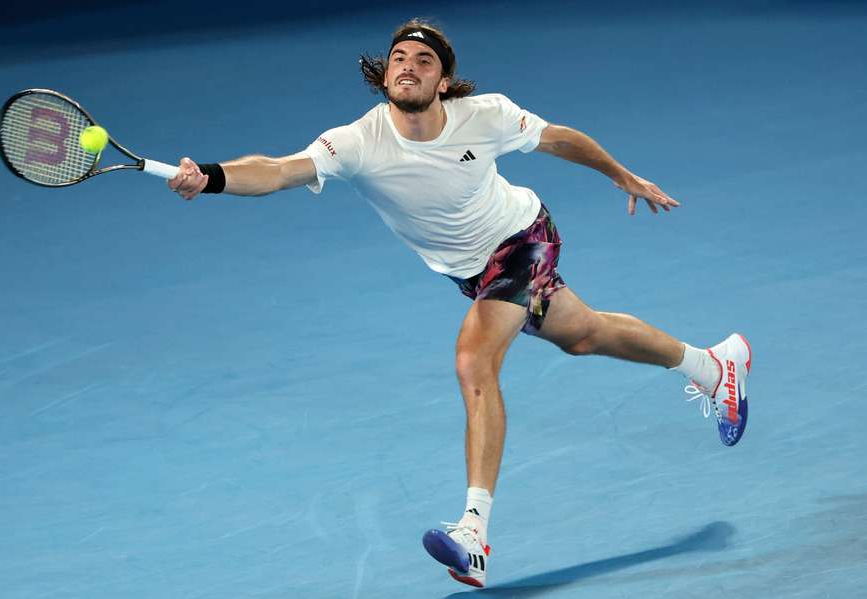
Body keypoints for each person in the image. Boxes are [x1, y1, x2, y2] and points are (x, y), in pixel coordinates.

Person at [168, 18, 751, 589]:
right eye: (399, 58)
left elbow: (559, 137)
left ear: (444, 81)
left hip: (523, 238)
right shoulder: (356, 142)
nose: (408, 67)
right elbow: (275, 170)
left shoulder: (486, 115)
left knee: (474, 361)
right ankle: (713, 364)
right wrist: (211, 177)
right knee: (584, 335)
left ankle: (473, 534)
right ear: (385, 74)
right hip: (471, 272)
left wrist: (621, 175)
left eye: (424, 62)